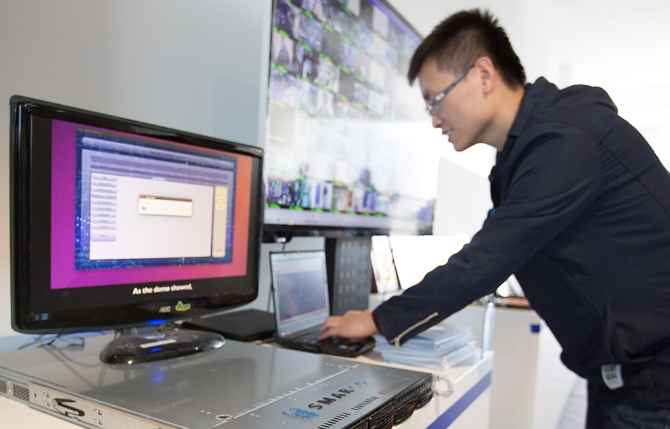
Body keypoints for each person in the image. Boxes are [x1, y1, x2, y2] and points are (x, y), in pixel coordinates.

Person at [317, 9, 670, 428]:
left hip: (655, 385)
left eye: (435, 100)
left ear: (483, 74)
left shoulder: (565, 141)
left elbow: (485, 261)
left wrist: (376, 320)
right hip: (622, 378)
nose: (434, 119)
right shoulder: (528, 152)